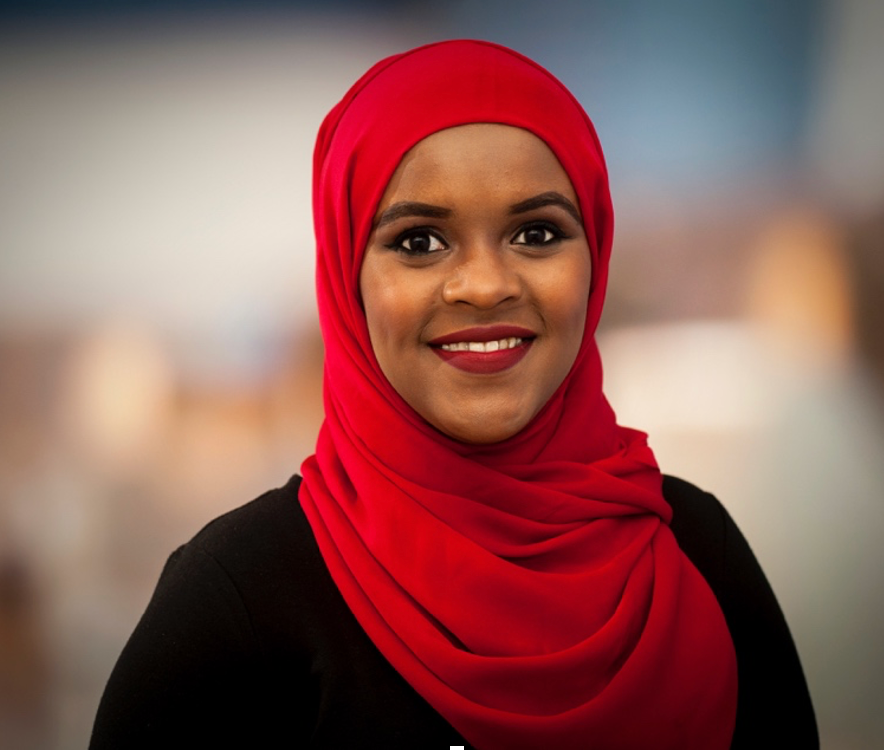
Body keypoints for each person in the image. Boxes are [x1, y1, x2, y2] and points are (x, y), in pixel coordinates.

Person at [90, 40, 817, 749]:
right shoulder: (242, 601)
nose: (486, 285)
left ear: (595, 256)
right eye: (419, 242)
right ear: (347, 277)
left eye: (537, 233)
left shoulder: (696, 551)